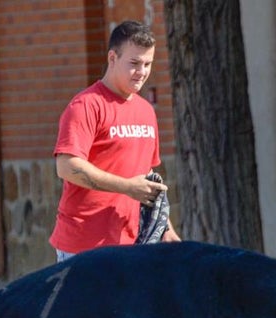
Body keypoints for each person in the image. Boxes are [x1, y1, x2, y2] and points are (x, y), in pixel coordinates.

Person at [50, 20, 180, 262]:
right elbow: (67, 167)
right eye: (134, 63)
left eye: (147, 64)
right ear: (112, 58)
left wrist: (165, 228)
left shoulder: (146, 111)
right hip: (84, 247)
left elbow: (146, 175)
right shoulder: (86, 105)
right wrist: (128, 187)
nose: (142, 71)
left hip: (133, 245)